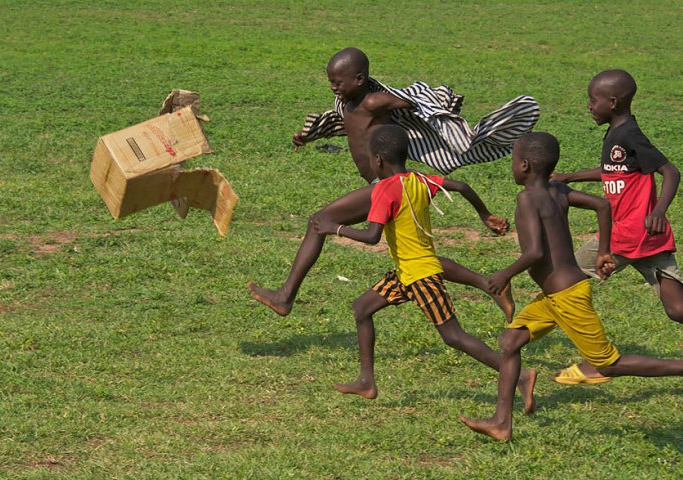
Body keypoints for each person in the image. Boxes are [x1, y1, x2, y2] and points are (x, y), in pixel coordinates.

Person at [248, 47, 540, 319]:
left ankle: (285, 297)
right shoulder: (346, 102)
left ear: (360, 79)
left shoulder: (374, 101)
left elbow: (413, 102)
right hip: (389, 183)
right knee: (420, 260)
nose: (333, 87)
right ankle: (491, 284)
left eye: (338, 82)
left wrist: (439, 103)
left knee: (318, 221)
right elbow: (348, 126)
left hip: (384, 185)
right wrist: (309, 135)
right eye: (330, 81)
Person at [459, 132, 683, 442]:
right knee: (510, 341)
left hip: (568, 297)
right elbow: (602, 205)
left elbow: (535, 251)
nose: (511, 167)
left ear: (524, 166)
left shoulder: (527, 199)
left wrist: (505, 274)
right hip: (555, 296)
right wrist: (604, 250)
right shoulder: (558, 190)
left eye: (513, 160)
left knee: (610, 365)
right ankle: (501, 423)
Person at [312, 124, 537, 406]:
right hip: (406, 273)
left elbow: (371, 236)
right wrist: (484, 215)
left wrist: (335, 228)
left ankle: (521, 377)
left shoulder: (384, 190)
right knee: (362, 309)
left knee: (454, 336)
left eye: (371, 158)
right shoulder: (418, 179)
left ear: (378, 160)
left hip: (420, 275)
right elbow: (462, 186)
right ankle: (366, 382)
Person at [551, 69, 683, 384]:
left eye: (592, 100)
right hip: (649, 240)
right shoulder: (616, 132)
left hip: (628, 234)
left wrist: (660, 210)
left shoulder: (629, 134)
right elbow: (612, 170)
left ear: (612, 102)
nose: (588, 106)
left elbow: (670, 171)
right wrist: (569, 177)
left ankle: (590, 361)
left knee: (562, 281)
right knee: (677, 309)